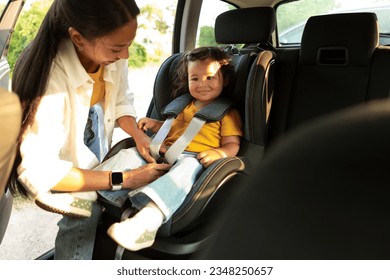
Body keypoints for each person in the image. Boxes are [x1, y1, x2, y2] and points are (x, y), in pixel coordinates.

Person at [7, 0, 171, 259]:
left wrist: (140, 137)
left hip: (90, 134)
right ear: (78, 38)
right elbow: (39, 170)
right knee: (85, 211)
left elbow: (120, 102)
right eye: (118, 47)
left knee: (99, 200)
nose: (126, 55)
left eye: (129, 44)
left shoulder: (112, 55)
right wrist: (125, 179)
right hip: (54, 159)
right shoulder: (49, 80)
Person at [106, 46, 243, 251]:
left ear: (225, 79)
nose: (201, 84)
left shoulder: (227, 113)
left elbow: (233, 144)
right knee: (129, 153)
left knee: (186, 168)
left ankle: (147, 221)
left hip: (195, 159)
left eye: (210, 77)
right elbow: (173, 128)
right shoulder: (184, 106)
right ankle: (90, 190)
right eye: (194, 78)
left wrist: (220, 153)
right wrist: (155, 124)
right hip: (162, 154)